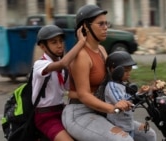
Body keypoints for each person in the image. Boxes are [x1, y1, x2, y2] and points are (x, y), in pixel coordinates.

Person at [61, 4, 157, 141]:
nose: (106, 27)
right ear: (85, 27)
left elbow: (114, 81)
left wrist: (145, 92)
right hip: (80, 113)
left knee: (148, 135)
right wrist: (111, 108)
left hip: (101, 111)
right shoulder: (81, 56)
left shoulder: (101, 50)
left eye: (106, 23)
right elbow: (83, 95)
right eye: (100, 24)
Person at [32, 24, 86, 141]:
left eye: (61, 41)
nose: (59, 45)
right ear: (43, 46)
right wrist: (81, 42)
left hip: (62, 112)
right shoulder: (40, 65)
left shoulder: (63, 69)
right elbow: (63, 63)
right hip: (45, 117)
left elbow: (71, 90)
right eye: (54, 42)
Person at [104, 51, 151, 138]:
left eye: (130, 70)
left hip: (127, 124)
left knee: (150, 134)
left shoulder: (123, 84)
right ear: (112, 69)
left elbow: (128, 98)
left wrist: (141, 92)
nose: (128, 73)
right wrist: (137, 96)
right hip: (119, 126)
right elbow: (123, 102)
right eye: (125, 71)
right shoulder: (112, 86)